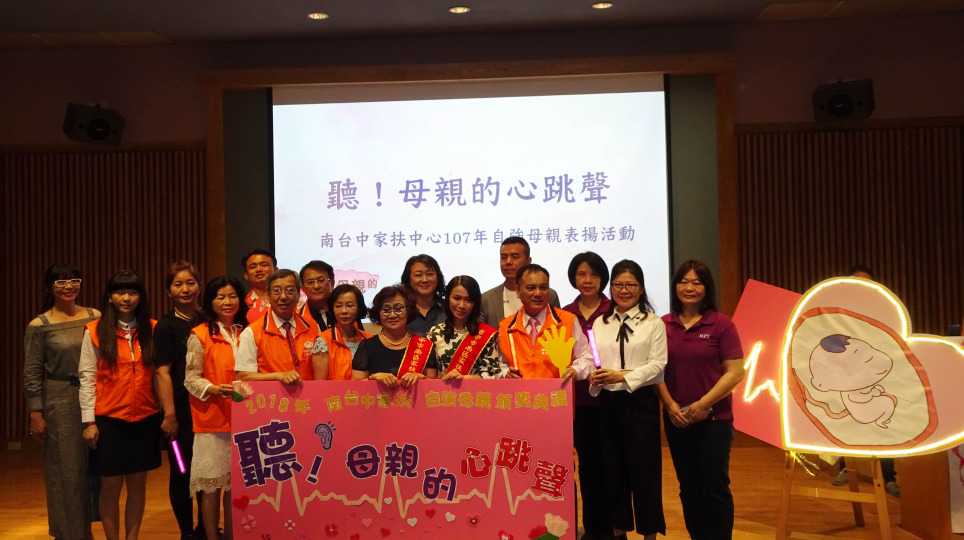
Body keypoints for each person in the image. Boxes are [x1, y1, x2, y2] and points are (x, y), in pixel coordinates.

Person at [658, 260, 745, 540]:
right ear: (675, 287)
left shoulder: (721, 324)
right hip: (677, 418)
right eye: (683, 282)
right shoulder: (662, 325)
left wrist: (703, 404)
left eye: (696, 282)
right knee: (688, 487)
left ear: (707, 288)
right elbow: (655, 372)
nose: (689, 288)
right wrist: (670, 406)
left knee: (714, 486)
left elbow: (736, 372)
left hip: (714, 419)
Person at [79, 270, 161, 540]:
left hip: (146, 419)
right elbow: (87, 378)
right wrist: (89, 422)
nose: (126, 298)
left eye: (132, 292)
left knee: (138, 488)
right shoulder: (94, 331)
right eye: (119, 292)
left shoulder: (153, 328)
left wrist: (167, 414)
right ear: (109, 297)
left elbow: (159, 376)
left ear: (141, 297)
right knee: (110, 488)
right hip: (109, 421)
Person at [589, 260, 667, 540]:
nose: (624, 290)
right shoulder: (600, 323)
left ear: (641, 288)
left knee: (645, 472)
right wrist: (595, 376)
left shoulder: (653, 323)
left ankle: (649, 534)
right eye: (618, 285)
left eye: (631, 285)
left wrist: (621, 376)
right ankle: (619, 531)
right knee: (614, 470)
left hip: (641, 403)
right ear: (611, 288)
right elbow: (595, 360)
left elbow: (658, 365)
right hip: (609, 404)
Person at [24, 263, 101, 540]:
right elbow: (32, 372)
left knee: (96, 469)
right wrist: (36, 413)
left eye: (73, 280)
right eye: (60, 282)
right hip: (60, 399)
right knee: (67, 470)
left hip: (97, 395)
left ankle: (91, 528)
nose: (68, 286)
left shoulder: (94, 316)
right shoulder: (40, 325)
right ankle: (69, 534)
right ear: (49, 287)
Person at [185, 276, 248, 540]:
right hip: (212, 421)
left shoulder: (248, 332)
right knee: (211, 488)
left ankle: (232, 535)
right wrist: (213, 389)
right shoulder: (200, 334)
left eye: (232, 296)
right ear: (210, 301)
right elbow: (190, 378)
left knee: (237, 487)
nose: (227, 302)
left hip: (245, 421)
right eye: (220, 297)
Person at [831, 264, 900, 497]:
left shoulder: (884, 310)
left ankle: (888, 475)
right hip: (848, 377)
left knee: (884, 423)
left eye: (867, 282)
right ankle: (846, 468)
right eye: (856, 282)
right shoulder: (838, 314)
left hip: (879, 376)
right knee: (848, 423)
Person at [560, 252, 612, 540]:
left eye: (593, 274)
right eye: (581, 274)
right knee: (584, 468)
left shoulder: (613, 309)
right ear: (573, 278)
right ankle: (586, 529)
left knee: (607, 467)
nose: (587, 280)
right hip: (575, 403)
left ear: (603, 278)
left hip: (609, 400)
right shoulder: (565, 314)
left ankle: (609, 529)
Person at [153, 261, 206, 540]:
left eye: (190, 282)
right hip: (180, 413)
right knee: (182, 471)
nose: (185, 289)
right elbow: (162, 372)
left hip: (208, 408)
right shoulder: (165, 326)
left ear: (199, 286)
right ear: (168, 291)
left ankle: (205, 528)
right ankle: (187, 532)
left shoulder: (208, 319)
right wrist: (169, 414)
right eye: (178, 284)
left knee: (207, 471)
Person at [497, 264, 592, 380]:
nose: (538, 293)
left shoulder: (567, 320)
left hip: (558, 390)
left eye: (543, 288)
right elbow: (499, 363)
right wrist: (505, 372)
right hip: (520, 391)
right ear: (518, 291)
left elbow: (586, 357)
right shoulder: (506, 327)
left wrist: (575, 370)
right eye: (531, 288)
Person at [235, 269, 319, 383]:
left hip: (308, 394)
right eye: (277, 291)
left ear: (298, 294)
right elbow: (242, 376)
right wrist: (278, 376)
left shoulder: (313, 327)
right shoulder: (252, 332)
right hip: (271, 394)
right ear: (268, 295)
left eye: (289, 290)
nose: (283, 297)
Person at [352, 285, 439, 388]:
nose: (392, 315)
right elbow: (355, 387)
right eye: (386, 309)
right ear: (378, 313)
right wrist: (374, 379)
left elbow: (433, 387)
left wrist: (421, 379)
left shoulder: (424, 346)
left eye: (398, 309)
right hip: (377, 398)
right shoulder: (367, 346)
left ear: (408, 311)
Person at [427, 276, 501, 380]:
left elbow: (492, 374)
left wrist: (464, 379)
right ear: (448, 298)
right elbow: (430, 375)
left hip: (476, 390)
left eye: (468, 300)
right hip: (443, 390)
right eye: (457, 298)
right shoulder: (435, 332)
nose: (462, 305)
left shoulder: (486, 334)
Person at [479, 237, 560, 327]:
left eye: (515, 257)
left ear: (528, 261)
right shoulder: (486, 299)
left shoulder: (549, 295)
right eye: (504, 257)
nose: (508, 262)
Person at [311, 284, 372, 380]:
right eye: (338, 306)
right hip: (335, 390)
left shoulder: (370, 339)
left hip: (366, 390)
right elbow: (320, 384)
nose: (344, 311)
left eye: (349, 305)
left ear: (359, 308)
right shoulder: (323, 341)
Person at [400, 254, 446, 336]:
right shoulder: (400, 310)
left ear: (438, 277)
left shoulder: (449, 309)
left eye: (429, 274)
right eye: (418, 275)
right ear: (408, 279)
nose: (424, 280)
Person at [241, 249, 277, 324]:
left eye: (264, 265)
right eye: (253, 267)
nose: (259, 269)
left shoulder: (291, 300)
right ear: (246, 275)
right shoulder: (242, 305)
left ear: (276, 270)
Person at [298, 260, 334, 333]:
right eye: (310, 282)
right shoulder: (297, 318)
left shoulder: (347, 313)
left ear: (332, 283)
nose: (316, 286)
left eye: (321, 280)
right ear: (303, 288)